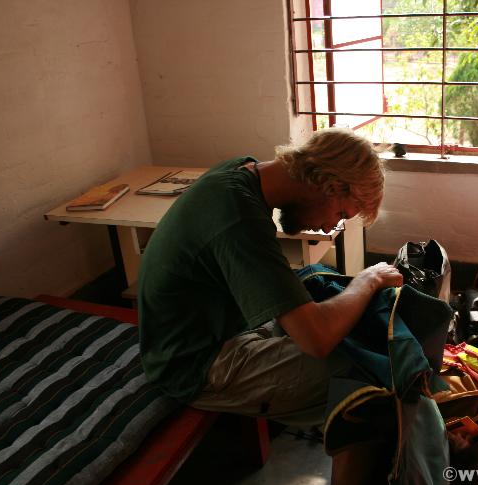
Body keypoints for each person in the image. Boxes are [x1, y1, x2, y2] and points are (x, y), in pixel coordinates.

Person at [137, 127, 402, 443]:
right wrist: (367, 278)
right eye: (341, 213)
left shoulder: (241, 171)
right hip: (194, 364)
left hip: (215, 329)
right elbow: (316, 339)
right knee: (368, 379)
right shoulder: (238, 218)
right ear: (329, 186)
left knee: (341, 320)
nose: (332, 226)